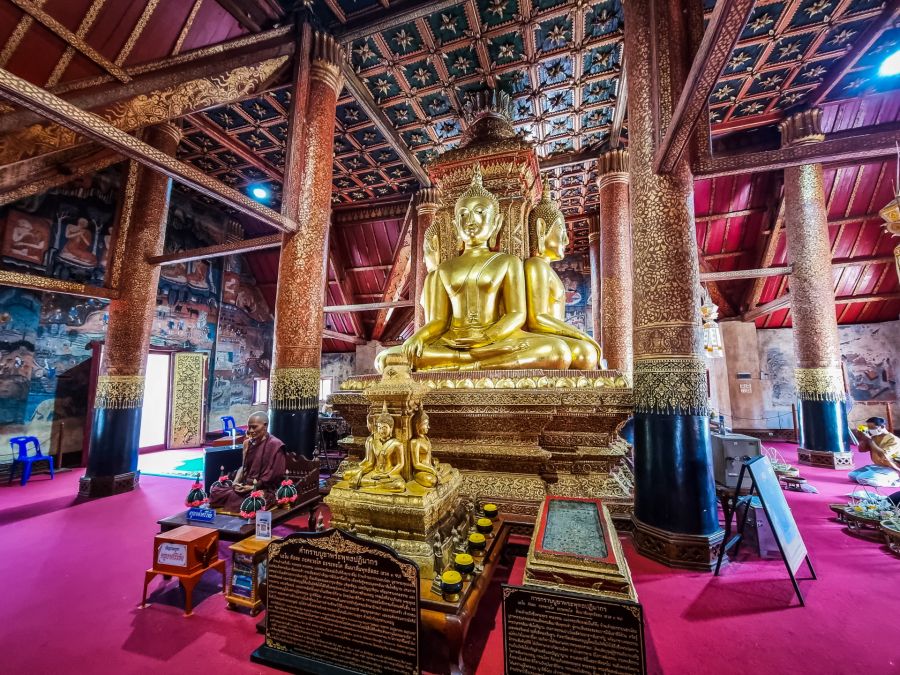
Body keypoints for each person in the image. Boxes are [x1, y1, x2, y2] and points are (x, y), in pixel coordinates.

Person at [209, 412, 286, 513]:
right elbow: (243, 467)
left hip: (265, 488)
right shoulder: (247, 443)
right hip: (245, 485)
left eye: (254, 427)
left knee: (246, 500)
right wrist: (236, 482)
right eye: (249, 427)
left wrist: (253, 487)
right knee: (216, 492)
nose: (251, 431)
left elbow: (275, 475)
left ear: (265, 426)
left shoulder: (275, 445)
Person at [848, 417, 900, 488]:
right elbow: (861, 450)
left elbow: (883, 454)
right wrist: (863, 439)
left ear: (882, 426)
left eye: (872, 428)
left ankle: (895, 480)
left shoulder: (894, 440)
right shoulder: (874, 437)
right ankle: (883, 476)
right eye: (868, 428)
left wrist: (869, 440)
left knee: (862, 478)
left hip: (892, 466)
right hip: (880, 465)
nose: (870, 430)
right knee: (852, 475)